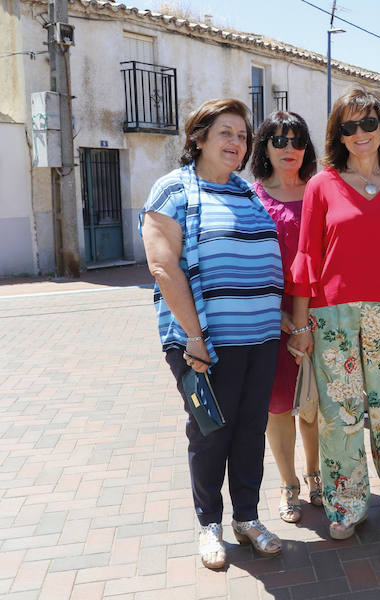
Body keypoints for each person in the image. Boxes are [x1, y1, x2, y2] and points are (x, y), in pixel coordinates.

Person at [140, 98, 283, 569]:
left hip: (260, 339)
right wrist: (195, 339)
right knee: (210, 434)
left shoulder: (245, 192)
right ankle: (209, 525)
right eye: (226, 133)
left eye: (242, 136)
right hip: (205, 345)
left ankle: (247, 517)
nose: (236, 143)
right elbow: (163, 267)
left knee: (249, 431)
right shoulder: (173, 190)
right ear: (198, 136)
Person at [286, 88, 380, 540]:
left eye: (369, 123)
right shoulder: (321, 185)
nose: (360, 133)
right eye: (350, 127)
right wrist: (302, 324)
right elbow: (307, 257)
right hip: (332, 315)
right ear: (339, 135)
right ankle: (346, 502)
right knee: (339, 414)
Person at [249, 111, 323, 524]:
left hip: (317, 320)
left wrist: (306, 322)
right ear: (264, 147)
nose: (289, 148)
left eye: (296, 140)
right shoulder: (251, 198)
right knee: (278, 409)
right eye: (278, 141)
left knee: (313, 408)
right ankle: (288, 484)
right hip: (269, 323)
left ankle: (316, 478)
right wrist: (282, 320)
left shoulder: (320, 191)